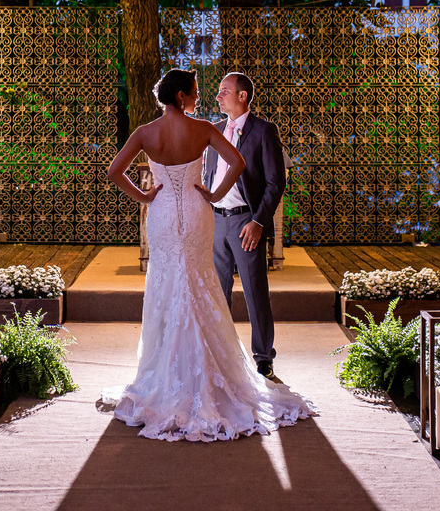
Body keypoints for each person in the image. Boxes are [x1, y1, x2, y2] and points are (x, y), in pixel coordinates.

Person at [100, 68, 314, 441]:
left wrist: (145, 197)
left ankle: (164, 371)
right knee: (201, 284)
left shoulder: (144, 133)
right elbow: (238, 163)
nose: (202, 97)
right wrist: (214, 196)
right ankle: (212, 368)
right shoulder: (202, 129)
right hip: (199, 212)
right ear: (181, 96)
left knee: (168, 283)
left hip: (163, 214)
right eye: (196, 92)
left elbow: (115, 171)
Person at [202, 72, 284, 378]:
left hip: (245, 221)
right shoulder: (214, 131)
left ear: (242, 96)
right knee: (217, 291)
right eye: (219, 91)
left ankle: (263, 356)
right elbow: (208, 174)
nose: (218, 96)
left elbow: (275, 183)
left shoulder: (264, 131)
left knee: (255, 290)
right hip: (216, 222)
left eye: (224, 91)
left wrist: (258, 221)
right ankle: (220, 351)